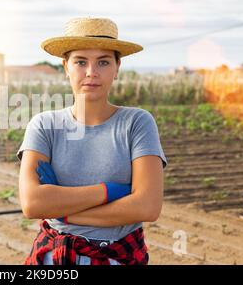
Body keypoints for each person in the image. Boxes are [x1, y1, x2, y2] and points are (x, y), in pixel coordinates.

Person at [16, 17, 167, 265]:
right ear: (66, 67)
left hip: (119, 257)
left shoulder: (137, 123)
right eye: (80, 62)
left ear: (117, 67)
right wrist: (110, 191)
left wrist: (62, 212)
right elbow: (33, 203)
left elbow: (147, 207)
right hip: (54, 258)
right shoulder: (44, 126)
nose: (91, 73)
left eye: (103, 62)